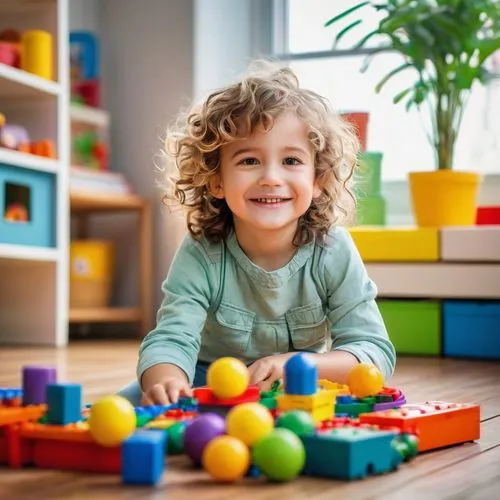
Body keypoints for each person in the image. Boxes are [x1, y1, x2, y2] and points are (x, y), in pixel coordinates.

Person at [117, 60, 396, 407]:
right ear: (216, 180)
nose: (271, 178)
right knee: (128, 404)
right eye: (249, 161)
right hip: (207, 385)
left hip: (299, 387)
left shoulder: (334, 250)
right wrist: (168, 381)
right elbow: (172, 339)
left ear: (318, 180)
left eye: (291, 161)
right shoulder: (202, 252)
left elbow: (373, 350)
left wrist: (299, 365)